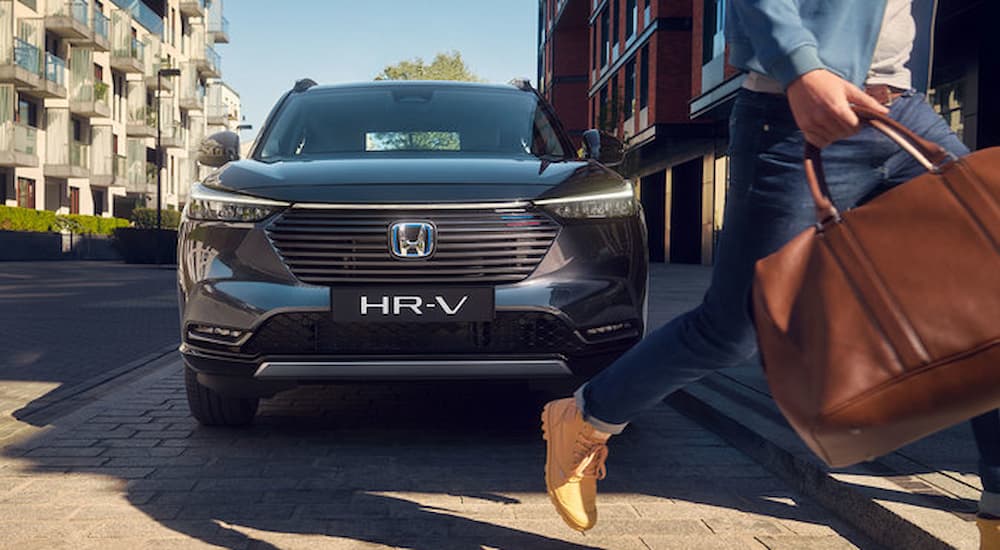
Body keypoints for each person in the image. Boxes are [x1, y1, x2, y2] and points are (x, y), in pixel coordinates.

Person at [540, 1, 1000, 547]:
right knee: (736, 327)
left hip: (903, 111)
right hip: (794, 110)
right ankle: (586, 416)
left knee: (990, 300)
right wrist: (802, 67)